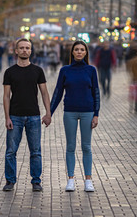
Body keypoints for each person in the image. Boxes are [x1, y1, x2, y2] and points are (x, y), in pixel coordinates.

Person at [50, 40, 100, 192]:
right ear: (72, 52)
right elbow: (58, 92)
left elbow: (96, 93)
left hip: (87, 112)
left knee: (86, 146)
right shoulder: (65, 70)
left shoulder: (91, 70)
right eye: (76, 49)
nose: (79, 52)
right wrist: (49, 113)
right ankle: (70, 179)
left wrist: (96, 114)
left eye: (82, 50)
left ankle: (88, 180)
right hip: (70, 112)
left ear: (86, 53)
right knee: (70, 146)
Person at [2, 38, 51, 192]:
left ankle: (36, 181)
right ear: (16, 51)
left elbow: (44, 93)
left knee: (35, 151)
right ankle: (10, 181)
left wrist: (48, 113)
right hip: (15, 116)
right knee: (11, 151)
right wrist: (7, 117)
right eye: (21, 48)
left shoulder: (37, 71)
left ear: (31, 51)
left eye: (27, 48)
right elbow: (6, 96)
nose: (24, 50)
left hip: (34, 116)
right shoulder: (10, 72)